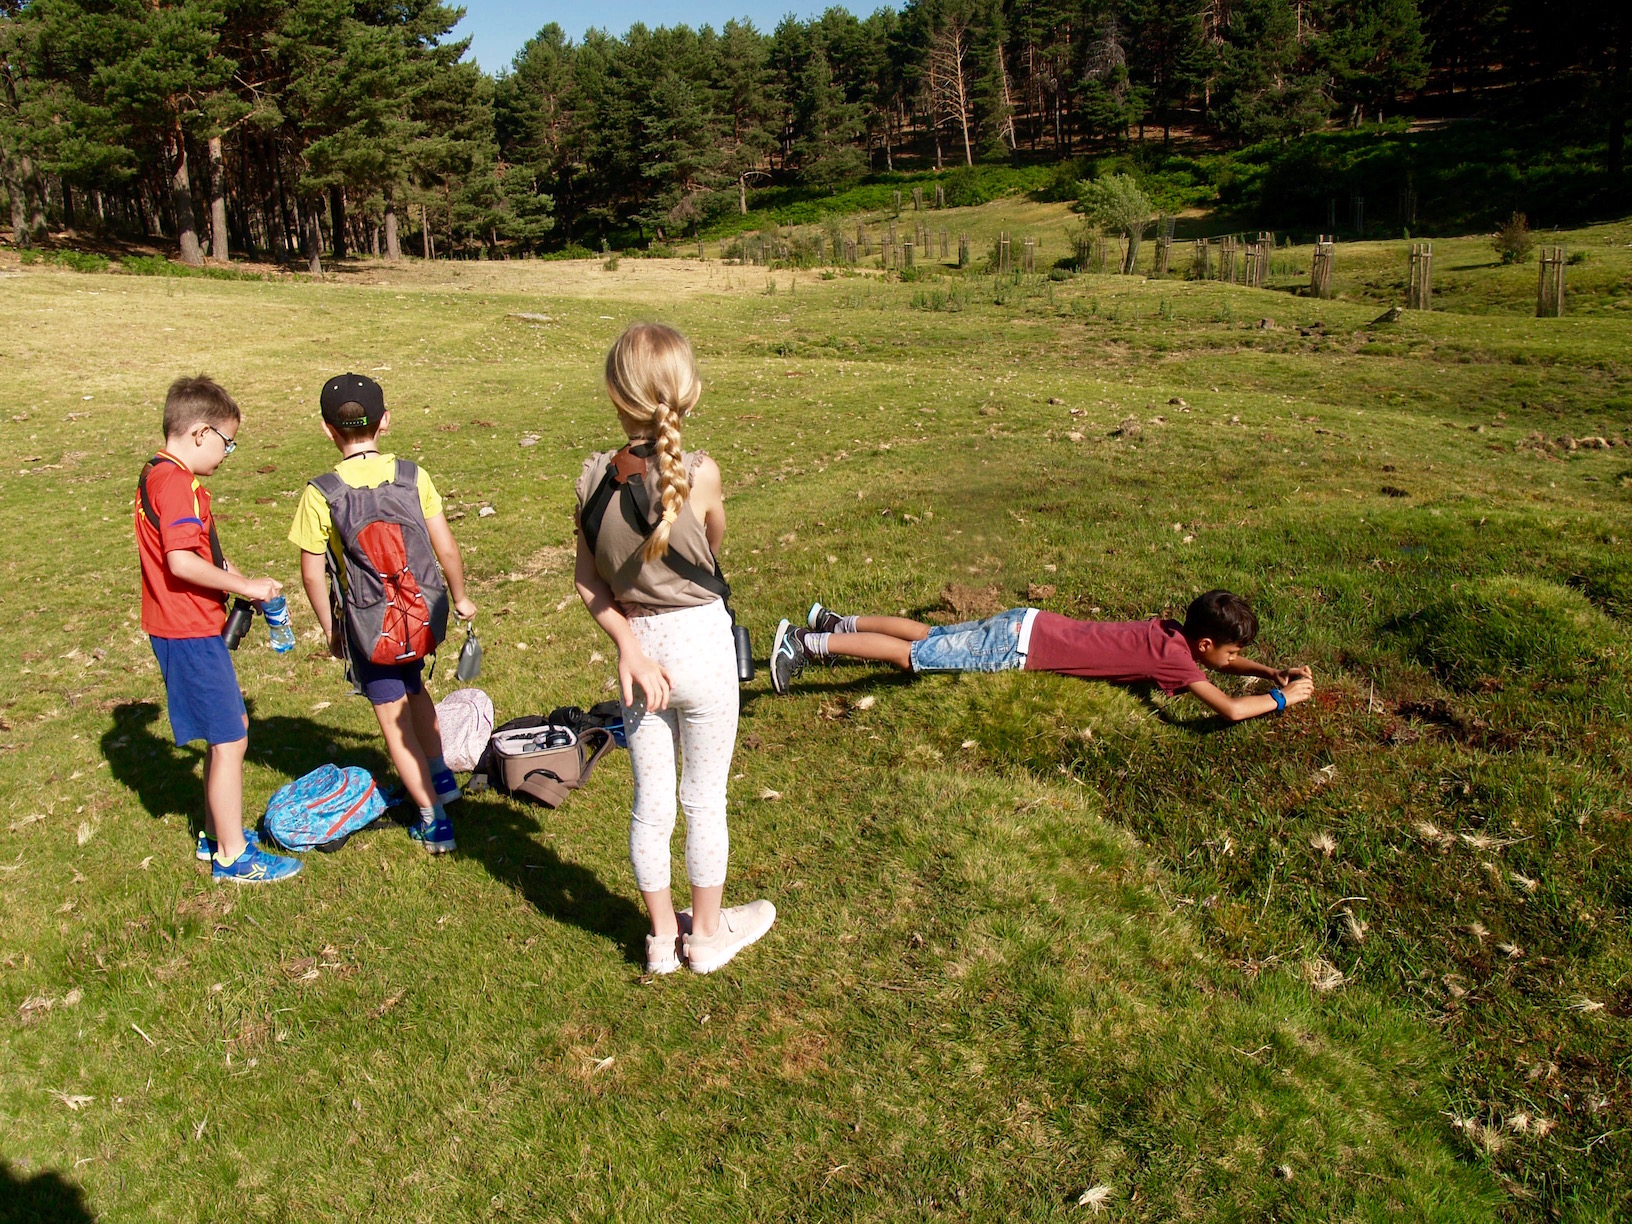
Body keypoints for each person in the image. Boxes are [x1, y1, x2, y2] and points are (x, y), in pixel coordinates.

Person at [574, 323, 774, 976]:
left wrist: (629, 648)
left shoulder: (589, 481)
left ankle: (662, 939)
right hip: (704, 647)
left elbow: (588, 582)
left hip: (642, 657)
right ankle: (708, 936)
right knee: (703, 797)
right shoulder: (701, 472)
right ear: (690, 391)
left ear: (614, 393)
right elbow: (713, 543)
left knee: (652, 802)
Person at [288, 373, 476, 853]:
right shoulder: (414, 477)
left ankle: (433, 820)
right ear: (385, 421)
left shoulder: (321, 493)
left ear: (328, 429)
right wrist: (460, 598)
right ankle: (442, 780)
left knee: (392, 718)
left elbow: (312, 575)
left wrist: (332, 631)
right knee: (417, 689)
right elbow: (446, 548)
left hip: (370, 627)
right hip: (421, 614)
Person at [134, 375, 303, 882]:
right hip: (187, 628)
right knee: (231, 740)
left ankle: (216, 836)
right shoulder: (178, 484)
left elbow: (198, 553)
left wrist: (235, 577)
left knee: (225, 735)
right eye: (228, 443)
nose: (228, 453)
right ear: (201, 433)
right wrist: (247, 587)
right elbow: (181, 561)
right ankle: (233, 857)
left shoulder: (158, 474)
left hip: (183, 624)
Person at [769, 589, 1315, 722]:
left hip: (1029, 621)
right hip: (1019, 646)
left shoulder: (1172, 634)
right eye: (1235, 650)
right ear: (1203, 645)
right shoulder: (1179, 662)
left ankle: (834, 622)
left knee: (933, 634)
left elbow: (1219, 665)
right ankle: (805, 643)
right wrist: (1282, 697)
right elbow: (1230, 708)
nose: (1235, 658)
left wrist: (1266, 669)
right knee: (915, 657)